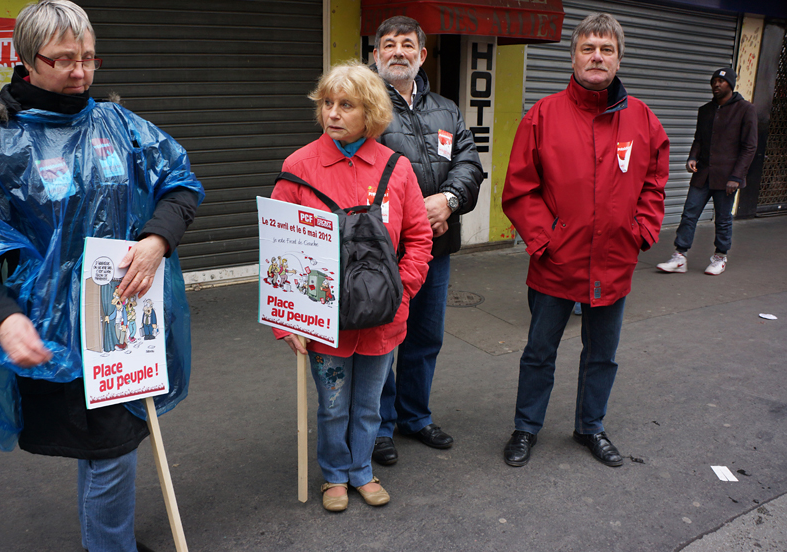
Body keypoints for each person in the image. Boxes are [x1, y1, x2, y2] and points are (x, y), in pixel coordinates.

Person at [0, 1, 204, 552]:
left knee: (111, 447)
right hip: (51, 331)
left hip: (123, 317)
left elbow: (180, 185)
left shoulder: (119, 125)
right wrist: (3, 319)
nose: (81, 73)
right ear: (27, 61)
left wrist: (157, 239)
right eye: (64, 60)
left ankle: (107, 541)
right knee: (107, 450)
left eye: (89, 58)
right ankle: (113, 551)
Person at [501, 13, 668, 468]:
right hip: (556, 263)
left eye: (606, 49)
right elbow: (519, 189)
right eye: (588, 48)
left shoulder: (644, 120)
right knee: (539, 353)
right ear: (573, 56)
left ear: (618, 58)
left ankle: (590, 427)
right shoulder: (543, 115)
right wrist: (546, 241)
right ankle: (525, 428)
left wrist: (642, 231)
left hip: (614, 262)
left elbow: (655, 180)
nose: (597, 56)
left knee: (602, 356)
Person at [272, 61, 432, 512]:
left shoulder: (397, 169)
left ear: (372, 111)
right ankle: (335, 475)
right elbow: (280, 248)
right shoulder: (298, 165)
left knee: (368, 407)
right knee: (333, 406)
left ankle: (362, 470)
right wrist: (287, 323)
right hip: (325, 322)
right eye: (327, 103)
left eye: (346, 105)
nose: (333, 114)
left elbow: (420, 237)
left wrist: (403, 290)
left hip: (383, 319)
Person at [370, 16, 483, 466]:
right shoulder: (366, 105)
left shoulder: (447, 109)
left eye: (407, 44)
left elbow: (469, 162)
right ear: (375, 55)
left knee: (424, 337)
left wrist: (450, 200)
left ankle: (414, 416)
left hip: (436, 248)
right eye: (389, 44)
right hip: (380, 252)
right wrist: (416, 212)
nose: (398, 51)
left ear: (422, 54)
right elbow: (357, 174)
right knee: (382, 338)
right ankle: (378, 426)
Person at [657, 67, 757, 276]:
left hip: (728, 177)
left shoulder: (745, 109)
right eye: (714, 82)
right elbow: (699, 139)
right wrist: (693, 157)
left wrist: (737, 177)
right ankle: (680, 257)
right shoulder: (705, 110)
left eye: (721, 82)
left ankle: (720, 257)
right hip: (703, 173)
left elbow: (749, 147)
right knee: (689, 214)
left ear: (730, 85)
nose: (716, 85)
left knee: (722, 219)